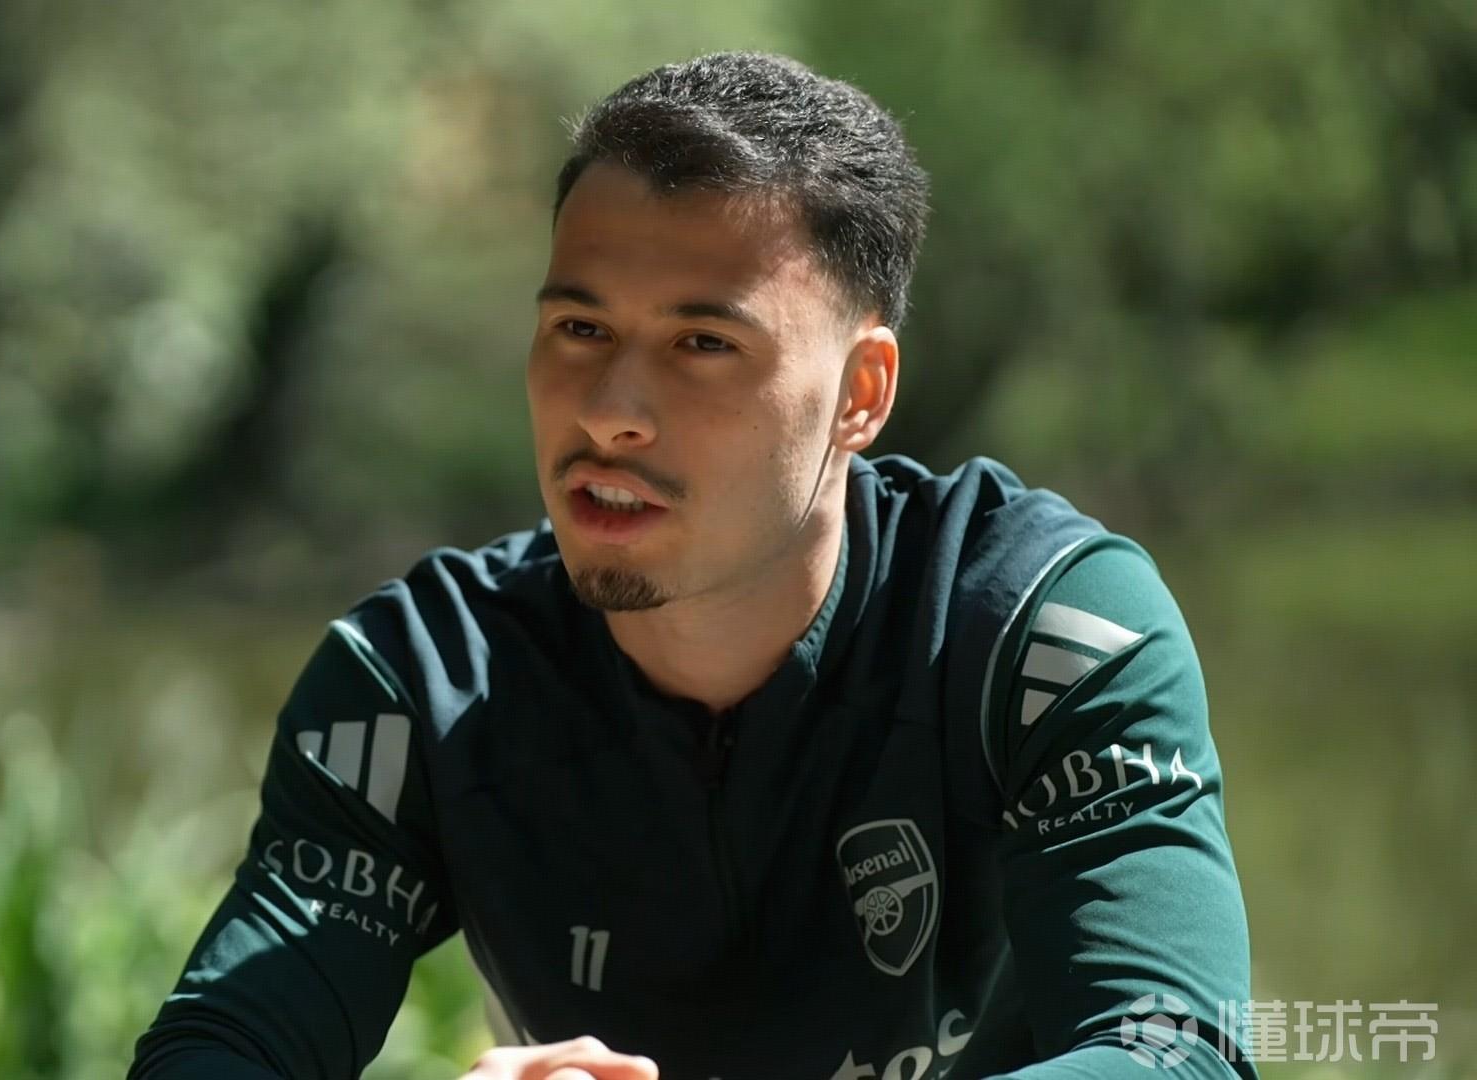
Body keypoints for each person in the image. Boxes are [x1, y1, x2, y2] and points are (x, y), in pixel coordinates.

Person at [128, 51, 1257, 1080]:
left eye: (703, 344)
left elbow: (1177, 1052)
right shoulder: (419, 681)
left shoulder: (1047, 632)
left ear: (861, 393)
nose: (609, 412)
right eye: (580, 330)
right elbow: (218, 1051)